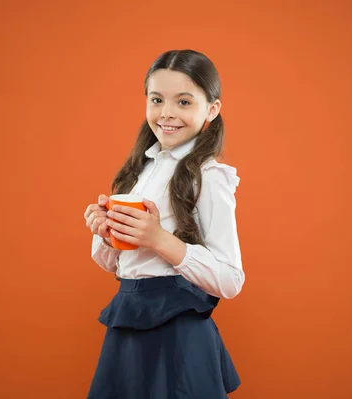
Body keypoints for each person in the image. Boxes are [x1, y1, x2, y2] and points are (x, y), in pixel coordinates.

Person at [83, 49, 245, 399]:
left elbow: (231, 280)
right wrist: (108, 235)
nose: (167, 113)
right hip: (129, 317)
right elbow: (119, 265)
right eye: (157, 100)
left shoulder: (209, 177)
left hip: (179, 332)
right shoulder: (140, 170)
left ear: (211, 110)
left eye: (184, 102)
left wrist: (158, 239)